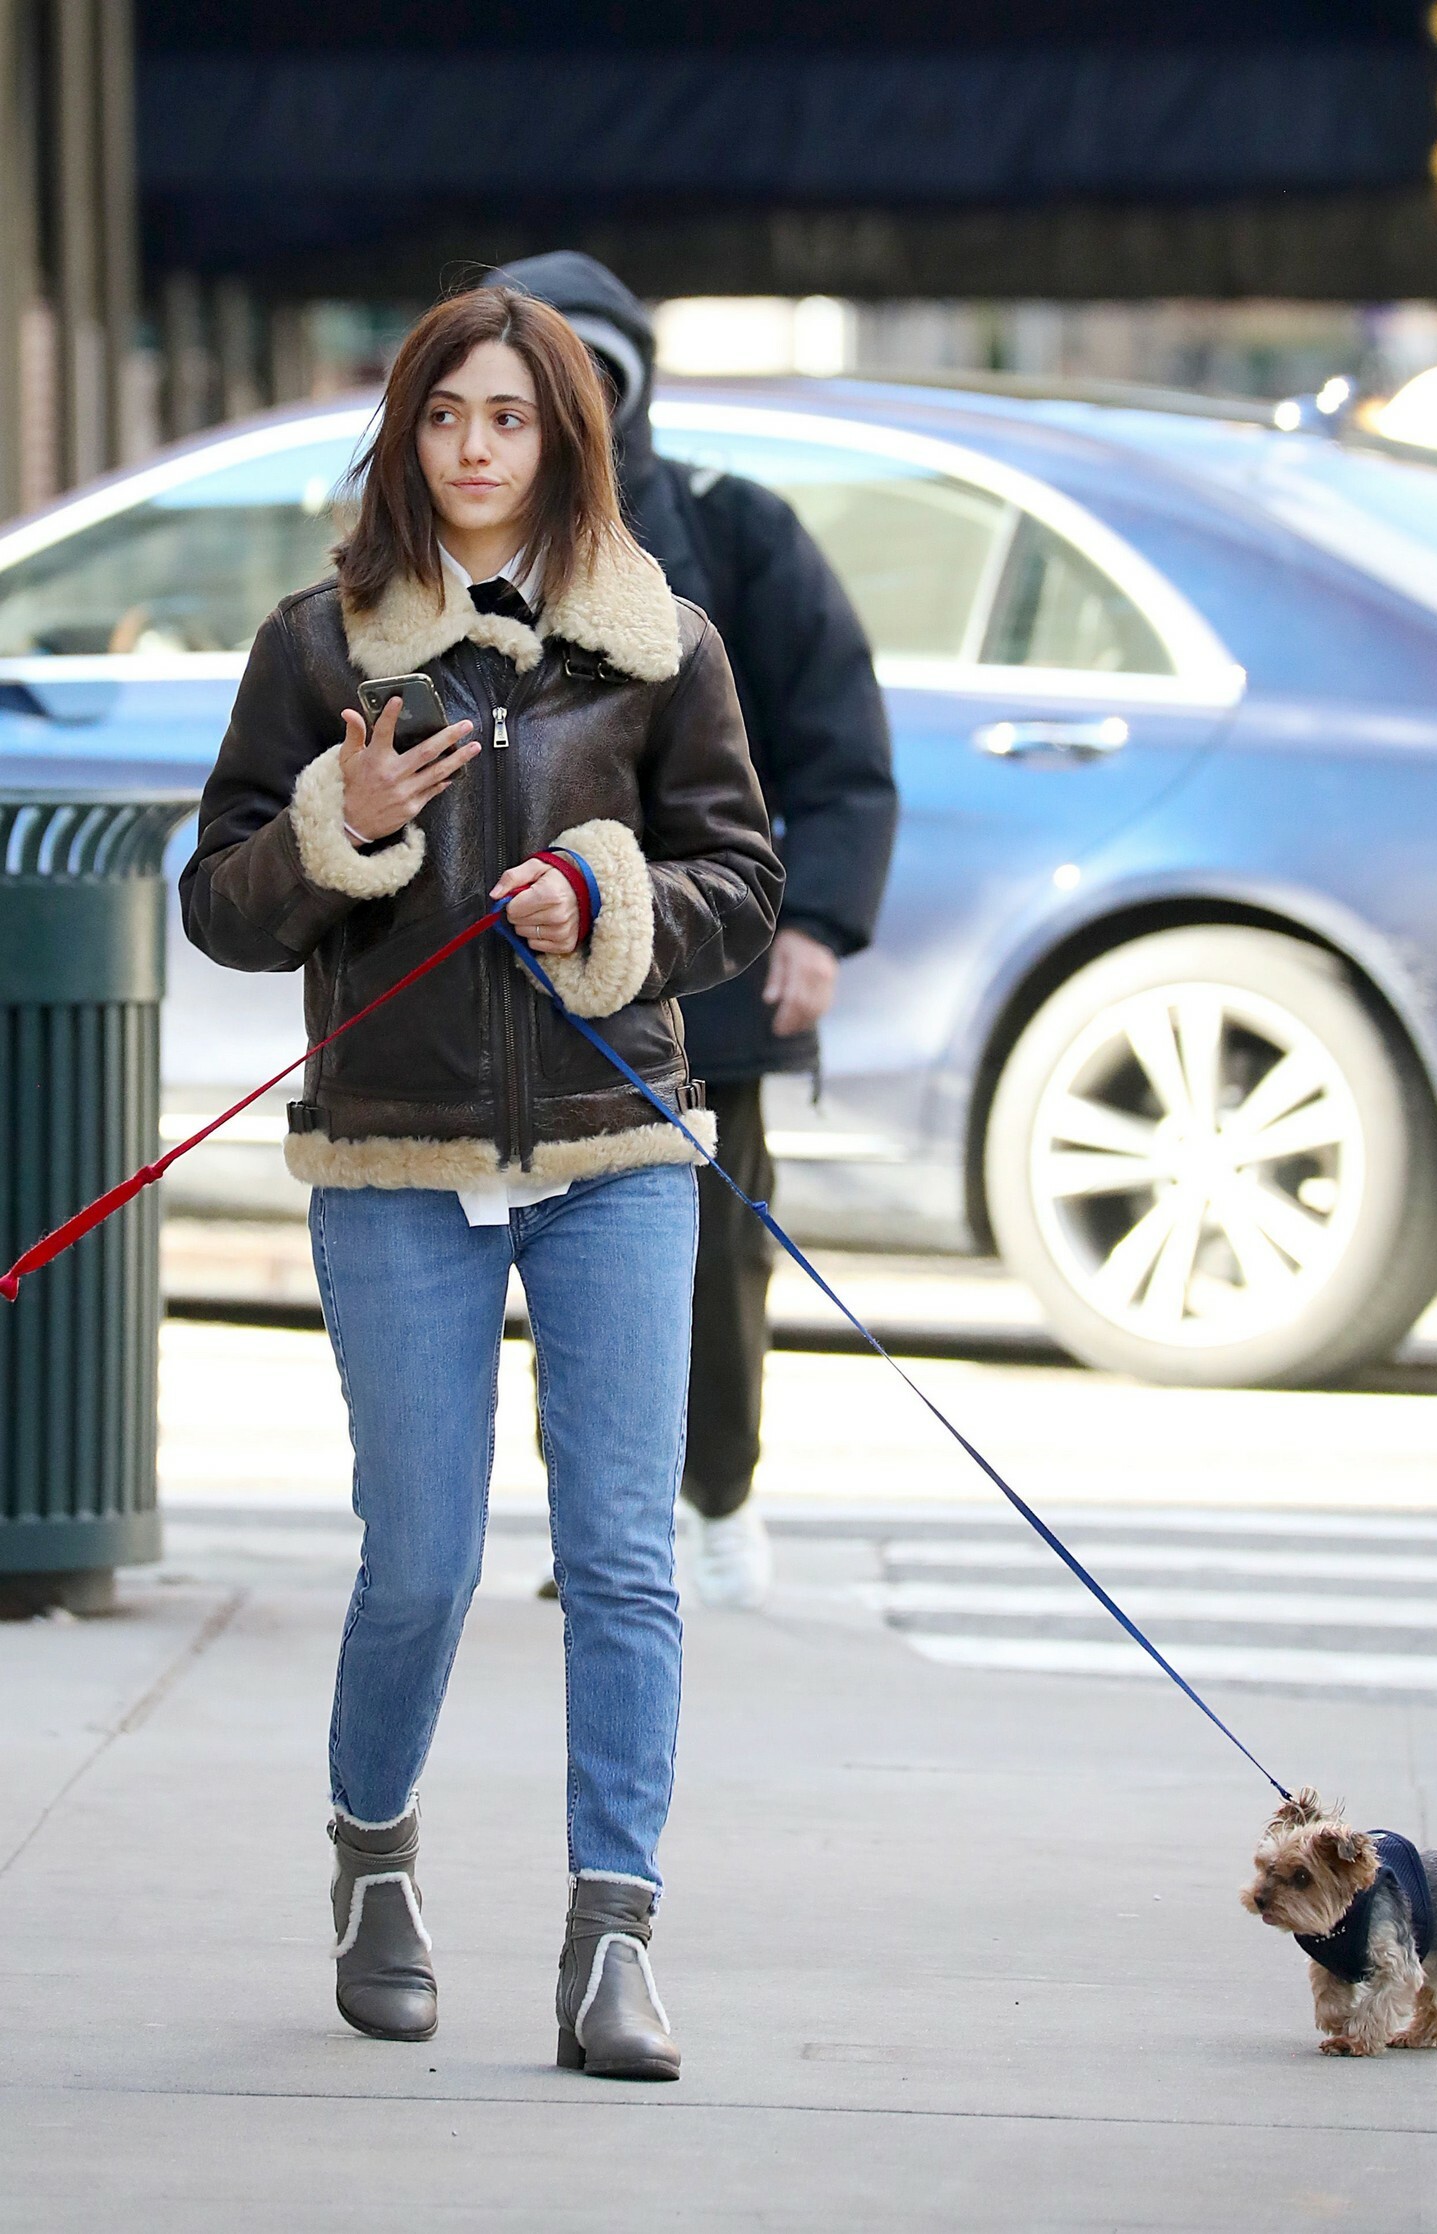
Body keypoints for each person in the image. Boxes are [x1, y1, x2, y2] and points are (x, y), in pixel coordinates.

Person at [180, 287, 781, 2078]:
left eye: (509, 417)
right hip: (395, 1148)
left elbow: (741, 875)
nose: (473, 449)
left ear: (564, 438)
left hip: (617, 1146)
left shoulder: (660, 643)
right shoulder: (320, 645)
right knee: (424, 1559)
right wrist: (341, 831)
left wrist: (610, 900)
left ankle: (614, 1938)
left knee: (622, 1557)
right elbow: (219, 900)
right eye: (444, 415)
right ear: (405, 435)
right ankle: (374, 1860)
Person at [488, 253, 898, 1610]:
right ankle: (600, 1527)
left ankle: (717, 1493)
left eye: (586, 379)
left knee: (714, 1261)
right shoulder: (460, 560)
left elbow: (839, 747)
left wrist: (818, 923)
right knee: (551, 1264)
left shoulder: (735, 532)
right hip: (518, 984)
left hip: (701, 971)